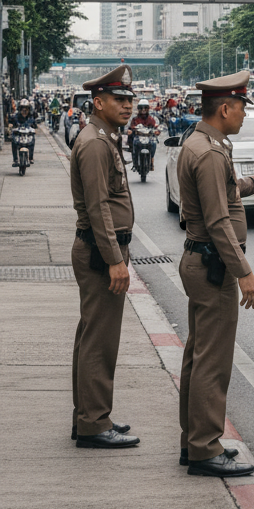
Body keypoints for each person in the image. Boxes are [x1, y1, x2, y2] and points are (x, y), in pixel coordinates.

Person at [176, 70, 254, 476]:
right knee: (212, 362)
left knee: (199, 357)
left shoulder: (205, 143)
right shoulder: (210, 151)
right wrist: (245, 272)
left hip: (203, 261)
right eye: (243, 107)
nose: (246, 114)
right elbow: (217, 221)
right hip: (213, 264)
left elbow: (229, 190)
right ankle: (204, 449)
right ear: (225, 108)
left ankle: (195, 442)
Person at [69, 65, 140, 449]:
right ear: (99, 102)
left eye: (130, 100)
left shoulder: (104, 136)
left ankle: (89, 416)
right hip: (100, 252)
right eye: (119, 99)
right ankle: (94, 424)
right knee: (100, 340)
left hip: (102, 249)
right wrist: (115, 259)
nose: (128, 105)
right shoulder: (96, 142)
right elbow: (98, 207)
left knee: (91, 335)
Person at [126, 98, 160, 172]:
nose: (143, 110)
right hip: (138, 137)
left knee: (154, 143)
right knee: (133, 146)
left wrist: (157, 131)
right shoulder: (135, 119)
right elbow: (130, 127)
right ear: (139, 109)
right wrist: (130, 130)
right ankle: (135, 164)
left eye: (145, 108)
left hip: (149, 138)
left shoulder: (151, 119)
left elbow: (156, 126)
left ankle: (151, 161)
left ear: (148, 109)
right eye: (141, 108)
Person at [12, 98, 37, 166]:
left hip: (27, 135)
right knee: (13, 142)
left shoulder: (31, 117)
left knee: (32, 141)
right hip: (18, 134)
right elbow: (11, 121)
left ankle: (31, 158)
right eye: (23, 108)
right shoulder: (16, 116)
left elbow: (34, 124)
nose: (24, 110)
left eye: (26, 108)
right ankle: (15, 159)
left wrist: (34, 127)